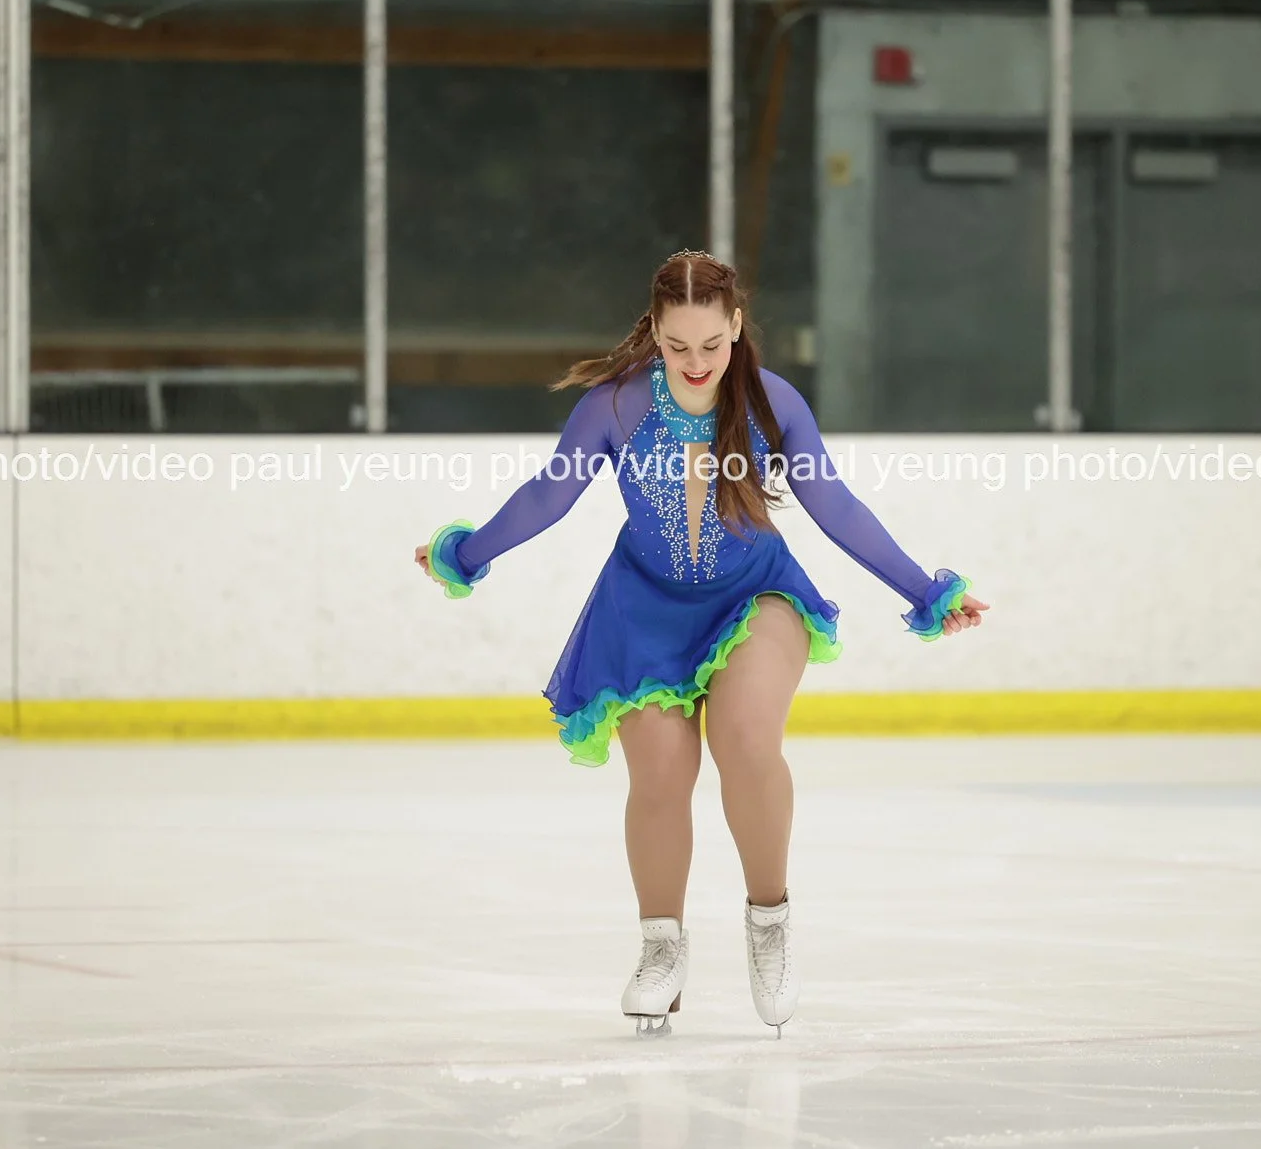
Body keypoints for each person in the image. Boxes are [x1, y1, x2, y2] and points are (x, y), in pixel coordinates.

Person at [417, 250, 986, 1037]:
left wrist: (926, 591)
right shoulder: (614, 407)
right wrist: (463, 554)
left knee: (746, 737)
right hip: (643, 609)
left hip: (756, 596)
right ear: (655, 331)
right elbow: (549, 495)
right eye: (678, 344)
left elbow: (837, 506)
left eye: (712, 344)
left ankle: (769, 921)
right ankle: (662, 948)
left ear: (737, 326)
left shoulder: (772, 404)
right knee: (659, 774)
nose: (695, 362)